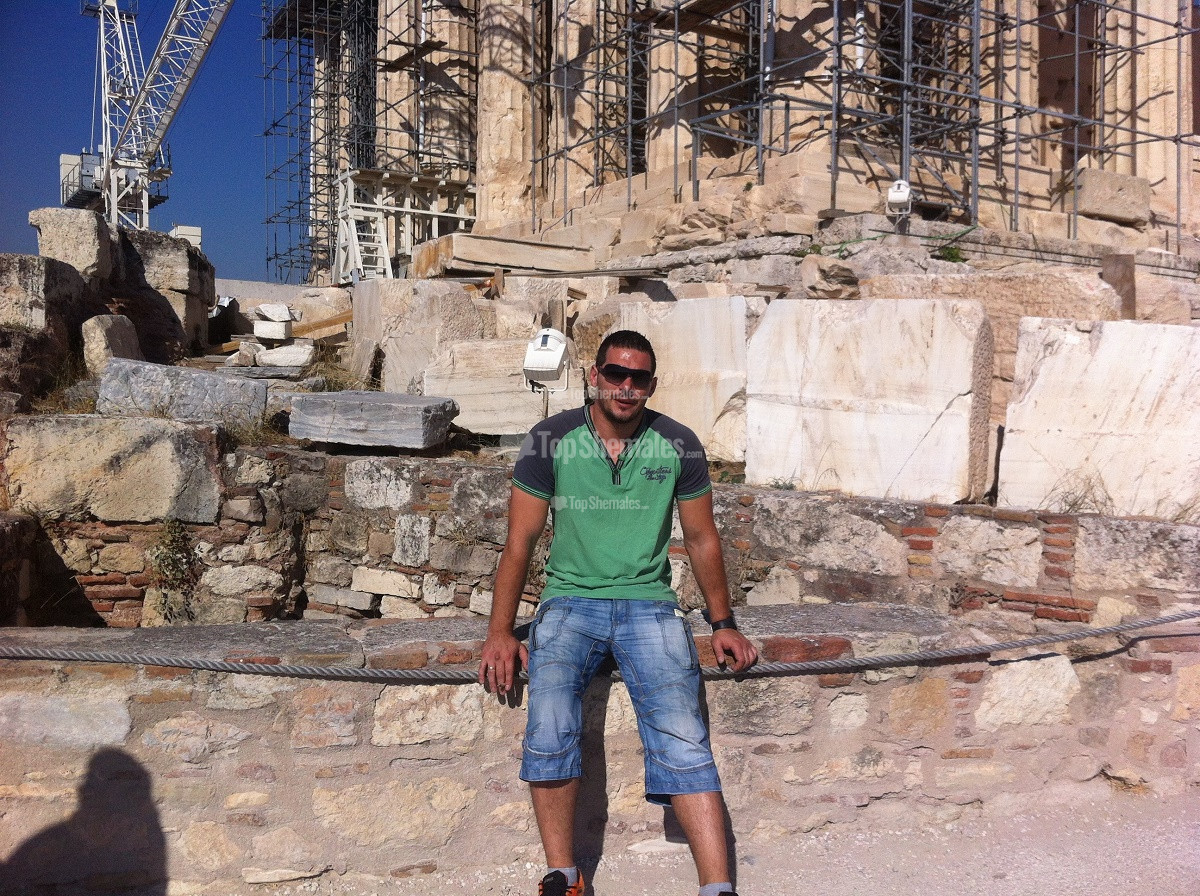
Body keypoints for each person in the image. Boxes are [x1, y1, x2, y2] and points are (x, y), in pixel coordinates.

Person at [479, 329, 758, 896]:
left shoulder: (677, 443)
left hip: (649, 603)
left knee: (683, 730)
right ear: (594, 376)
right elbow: (520, 541)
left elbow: (702, 538)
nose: (625, 387)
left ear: (651, 385)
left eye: (638, 378)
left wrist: (723, 624)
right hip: (569, 601)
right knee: (550, 720)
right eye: (615, 373)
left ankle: (717, 887)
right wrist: (500, 632)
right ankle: (564, 873)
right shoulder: (550, 439)